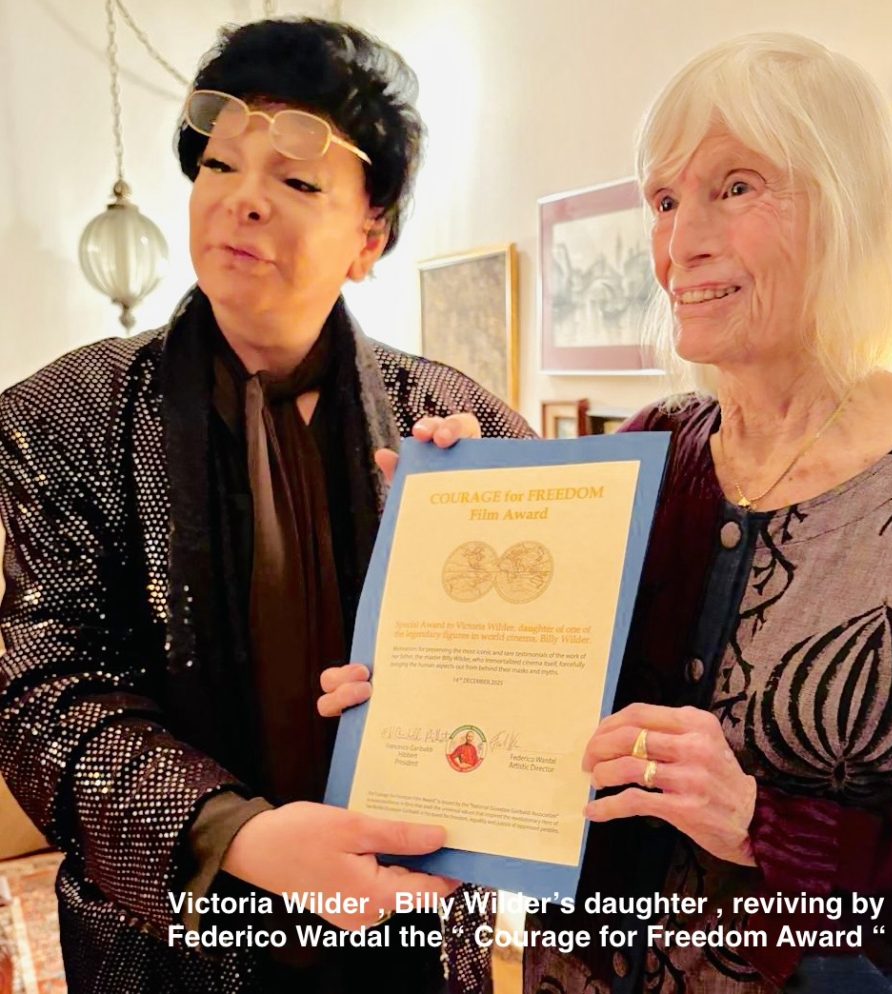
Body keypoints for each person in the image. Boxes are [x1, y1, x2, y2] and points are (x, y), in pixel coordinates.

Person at [0, 17, 532, 994]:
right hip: (168, 949)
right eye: (219, 166)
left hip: (408, 941)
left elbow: (544, 688)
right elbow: (44, 695)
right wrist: (240, 835)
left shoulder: (464, 425)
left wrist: (493, 546)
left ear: (369, 235)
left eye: (295, 182)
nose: (242, 202)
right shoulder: (59, 419)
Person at [512, 32, 892, 994]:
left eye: (737, 187)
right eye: (665, 200)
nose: (680, 243)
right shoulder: (654, 446)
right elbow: (552, 691)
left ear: (852, 206)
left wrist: (762, 823)